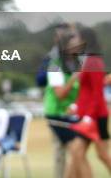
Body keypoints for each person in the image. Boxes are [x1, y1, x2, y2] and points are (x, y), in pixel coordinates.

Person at [65, 27, 111, 177]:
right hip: (88, 114)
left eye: (76, 37)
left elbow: (97, 93)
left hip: (95, 116)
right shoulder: (86, 60)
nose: (73, 40)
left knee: (93, 154)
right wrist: (76, 105)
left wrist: (88, 117)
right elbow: (87, 91)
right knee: (80, 153)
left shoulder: (94, 61)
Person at [44, 24, 80, 178]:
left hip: (72, 114)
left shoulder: (78, 63)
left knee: (77, 154)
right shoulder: (55, 66)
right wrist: (74, 78)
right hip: (56, 115)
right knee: (63, 155)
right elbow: (60, 94)